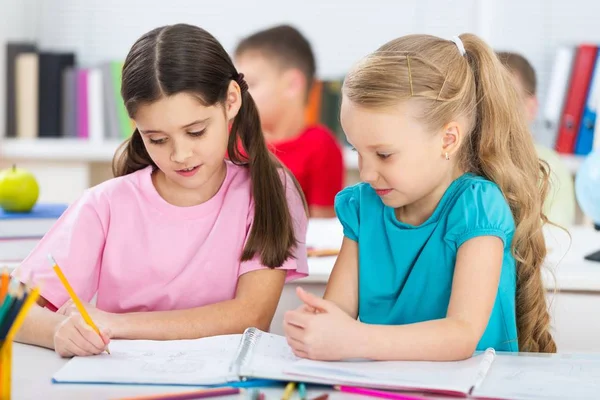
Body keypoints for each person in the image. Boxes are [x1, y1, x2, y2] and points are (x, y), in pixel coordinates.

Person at [12, 23, 308, 358]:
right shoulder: (105, 204)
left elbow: (250, 316)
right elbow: (10, 308)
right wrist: (56, 330)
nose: (180, 155)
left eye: (195, 132)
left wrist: (116, 323)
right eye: (157, 139)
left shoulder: (270, 191)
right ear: (137, 128)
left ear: (230, 101)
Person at [283, 34, 557, 362]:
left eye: (384, 154)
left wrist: (356, 338)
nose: (366, 174)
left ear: (448, 139)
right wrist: (318, 324)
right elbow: (339, 311)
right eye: (357, 150)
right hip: (387, 386)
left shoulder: (477, 207)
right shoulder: (363, 207)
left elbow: (462, 334)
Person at [235, 25, 344, 218]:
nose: (237, 95)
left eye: (250, 84)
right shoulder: (231, 140)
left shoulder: (321, 146)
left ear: (292, 85)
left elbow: (322, 231)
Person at [496, 51, 576, 227]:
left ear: (531, 108)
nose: (497, 113)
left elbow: (554, 240)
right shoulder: (468, 163)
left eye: (509, 101)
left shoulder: (550, 167)